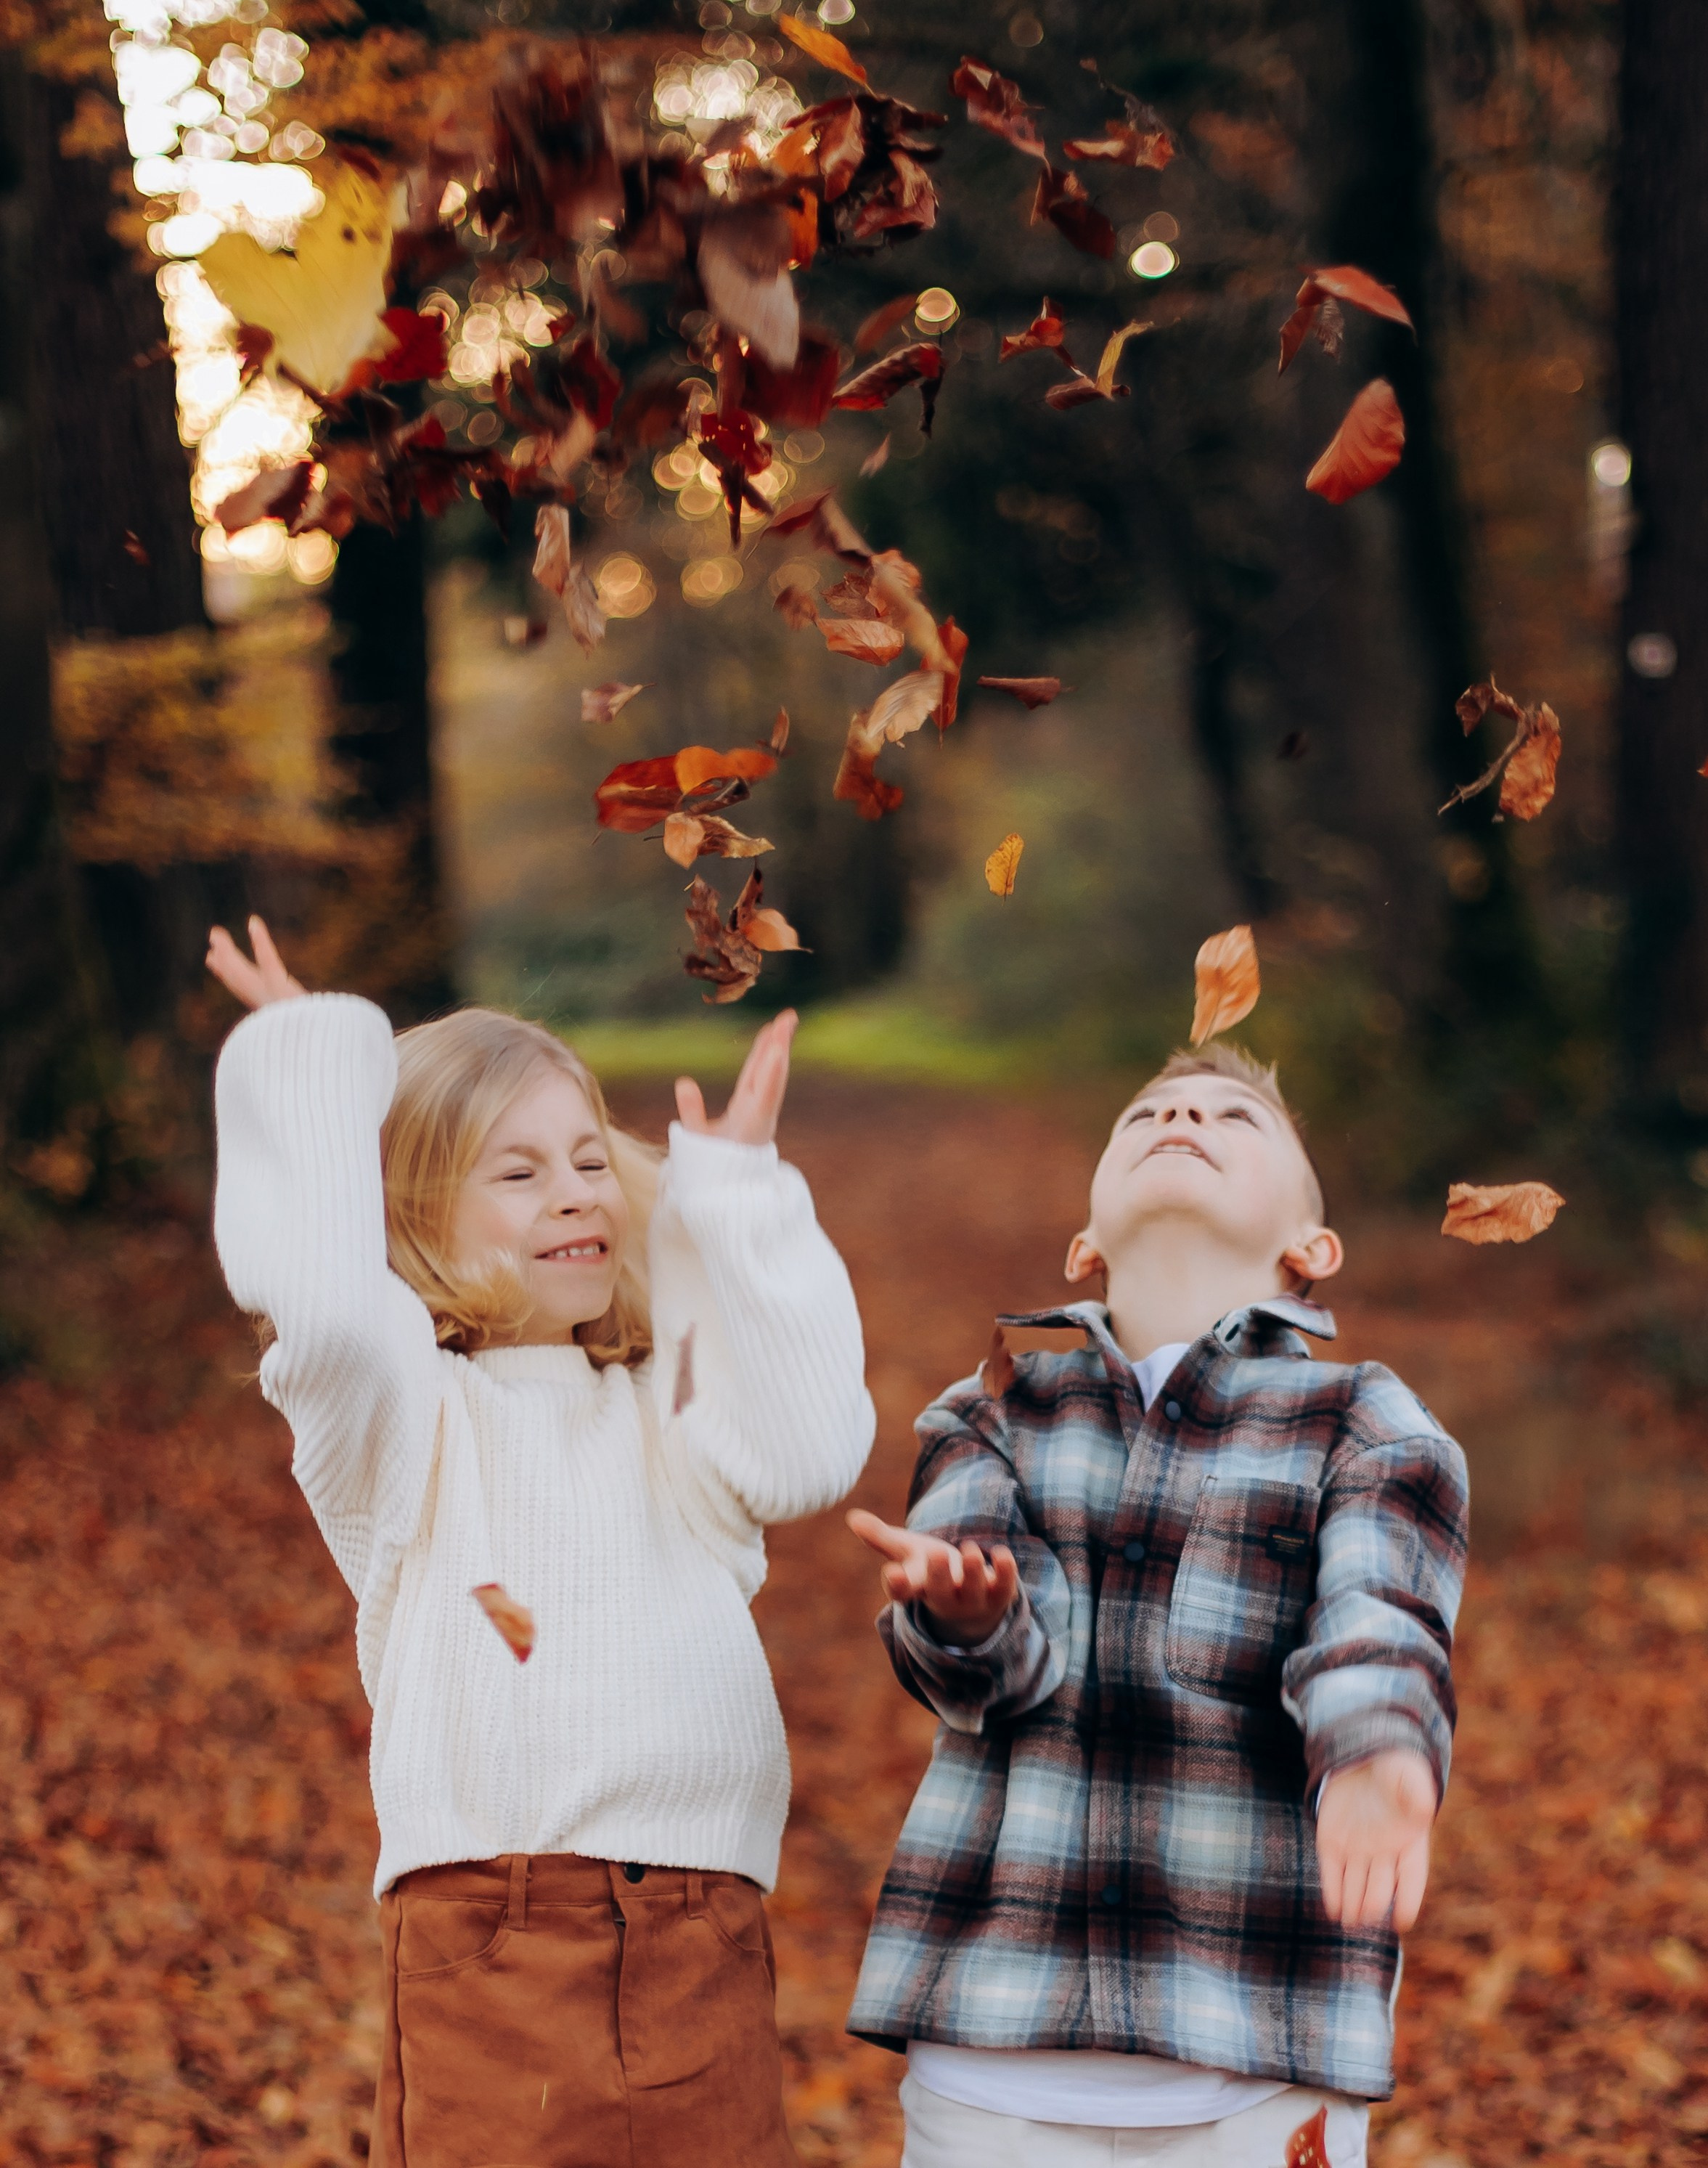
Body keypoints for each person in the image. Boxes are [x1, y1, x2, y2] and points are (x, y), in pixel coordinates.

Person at [206, 916, 875, 2168]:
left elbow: (803, 1447)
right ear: (409, 1214)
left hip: (701, 1925)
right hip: (493, 1932)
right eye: (515, 1174)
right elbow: (334, 1322)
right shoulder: (406, 1419)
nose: (572, 1190)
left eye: (584, 1160)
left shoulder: (661, 1410)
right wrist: (307, 1072)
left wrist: (738, 1206)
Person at [845, 1042, 1468, 2168]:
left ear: (1309, 1250)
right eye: (1147, 1113)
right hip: (993, 2050)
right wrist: (968, 1617)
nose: (1181, 1111)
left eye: (1233, 1115)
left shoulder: (1364, 1421)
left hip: (1258, 2054)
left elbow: (1379, 1613)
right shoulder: (990, 1409)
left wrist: (1378, 1744)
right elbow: (979, 1667)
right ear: (1084, 1241)